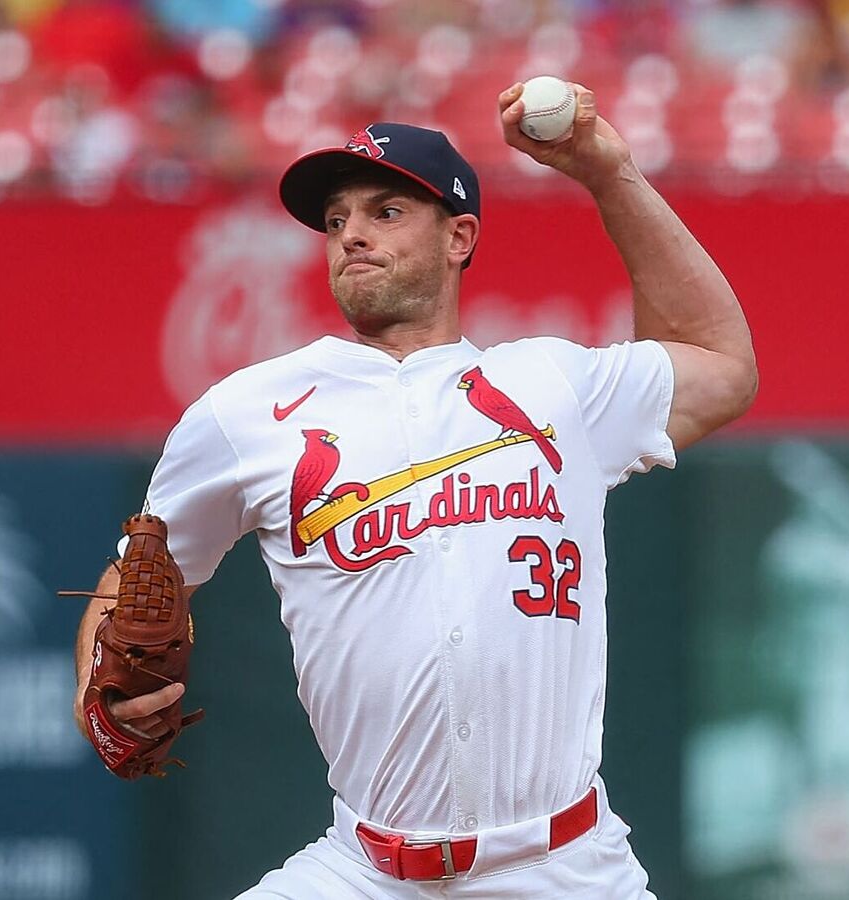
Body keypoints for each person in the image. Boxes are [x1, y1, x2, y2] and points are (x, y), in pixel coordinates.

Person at [73, 82, 757, 896]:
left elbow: (720, 365)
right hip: (363, 870)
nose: (351, 234)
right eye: (336, 221)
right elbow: (139, 571)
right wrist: (97, 698)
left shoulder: (554, 383)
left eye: (384, 212)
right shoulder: (243, 413)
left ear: (458, 236)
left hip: (564, 869)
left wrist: (610, 175)